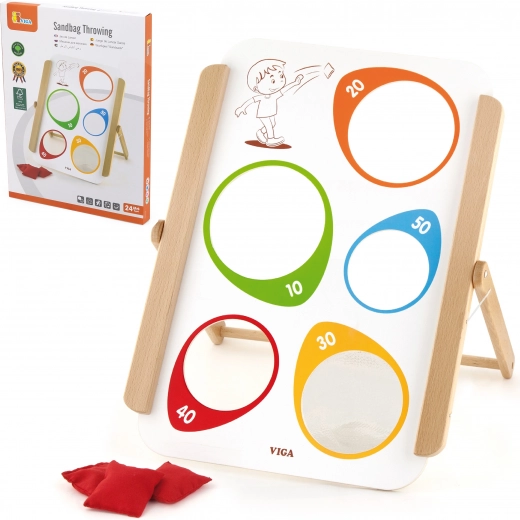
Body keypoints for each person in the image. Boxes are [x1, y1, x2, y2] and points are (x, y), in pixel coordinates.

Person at [235, 59, 303, 147]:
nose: (280, 82)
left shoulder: (274, 95)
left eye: (281, 76)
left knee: (273, 123)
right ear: (256, 88)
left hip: (271, 112)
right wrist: (242, 108)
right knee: (269, 126)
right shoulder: (261, 97)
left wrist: (295, 83)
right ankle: (271, 139)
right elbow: (251, 100)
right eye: (273, 81)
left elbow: (284, 89)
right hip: (263, 114)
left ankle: (260, 132)